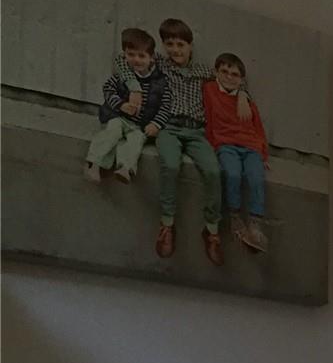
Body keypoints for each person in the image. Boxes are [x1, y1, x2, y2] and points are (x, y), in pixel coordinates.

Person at [115, 18, 231, 264]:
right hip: (168, 127)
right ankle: (167, 224)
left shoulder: (204, 71)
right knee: (170, 165)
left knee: (212, 171)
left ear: (190, 46)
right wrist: (134, 88)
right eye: (170, 44)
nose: (175, 50)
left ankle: (211, 230)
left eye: (180, 44)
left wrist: (242, 95)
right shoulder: (159, 66)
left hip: (197, 132)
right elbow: (123, 61)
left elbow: (232, 82)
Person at [203, 53, 270, 254]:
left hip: (250, 146)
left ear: (241, 80)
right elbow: (208, 119)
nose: (229, 77)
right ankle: (234, 216)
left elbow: (258, 128)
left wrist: (263, 154)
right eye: (224, 72)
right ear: (216, 72)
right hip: (226, 144)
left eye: (235, 75)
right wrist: (213, 145)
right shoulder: (210, 90)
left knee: (256, 177)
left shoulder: (247, 101)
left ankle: (255, 224)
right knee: (232, 174)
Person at [85, 27, 169, 185]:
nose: (136, 60)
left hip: (140, 124)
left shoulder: (160, 82)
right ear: (125, 55)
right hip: (120, 117)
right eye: (131, 55)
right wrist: (121, 105)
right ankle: (94, 164)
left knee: (136, 140)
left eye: (141, 56)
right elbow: (108, 90)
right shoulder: (122, 76)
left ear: (151, 58)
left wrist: (156, 123)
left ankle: (125, 168)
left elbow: (165, 105)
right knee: (111, 133)